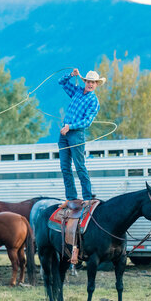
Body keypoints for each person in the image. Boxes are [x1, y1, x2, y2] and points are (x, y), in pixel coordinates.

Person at [58, 68, 106, 208]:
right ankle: (71, 197)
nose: (90, 84)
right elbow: (61, 82)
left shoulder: (94, 101)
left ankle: (87, 197)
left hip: (76, 134)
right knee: (65, 167)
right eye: (88, 81)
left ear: (97, 84)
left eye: (93, 82)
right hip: (64, 133)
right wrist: (71, 75)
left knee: (79, 166)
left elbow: (87, 122)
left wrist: (70, 127)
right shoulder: (77, 91)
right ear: (85, 82)